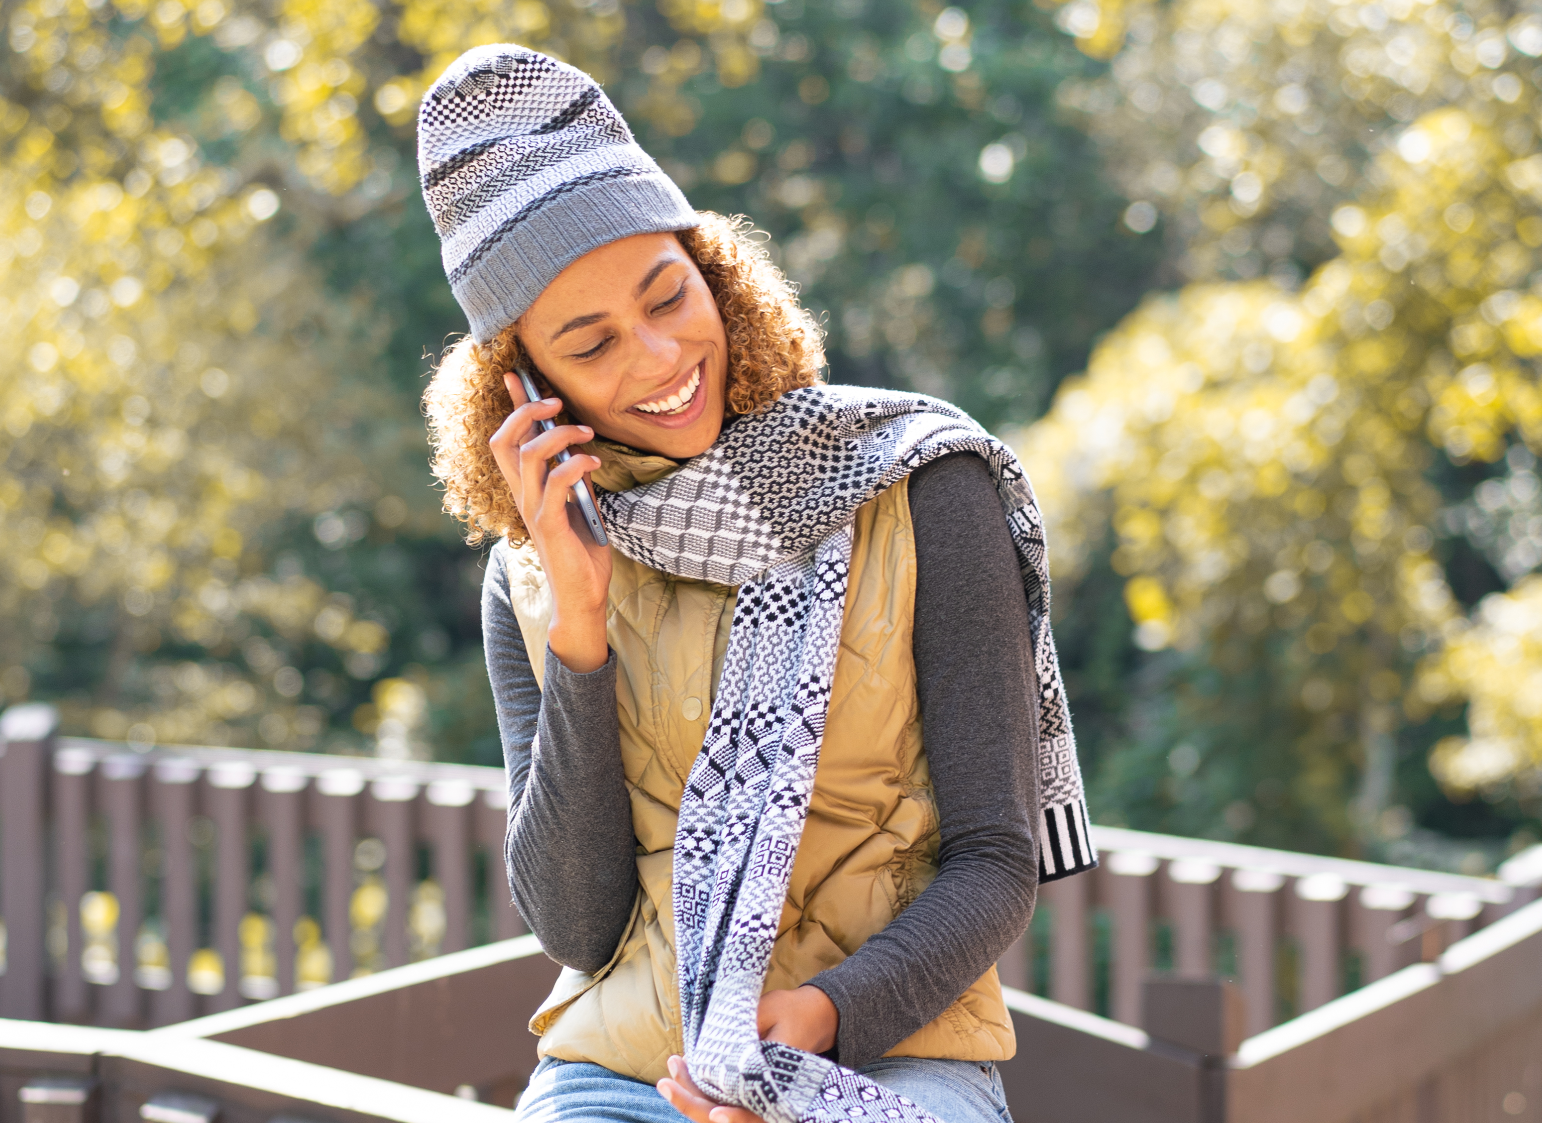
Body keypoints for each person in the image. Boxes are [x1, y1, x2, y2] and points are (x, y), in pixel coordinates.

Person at [416, 45, 1095, 1123]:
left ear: (715, 270)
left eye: (666, 295)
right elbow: (576, 929)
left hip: (889, 1046)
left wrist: (817, 1020)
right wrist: (580, 624)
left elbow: (994, 858)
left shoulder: (920, 482)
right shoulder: (530, 579)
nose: (656, 357)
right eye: (591, 344)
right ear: (528, 387)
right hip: (627, 1069)